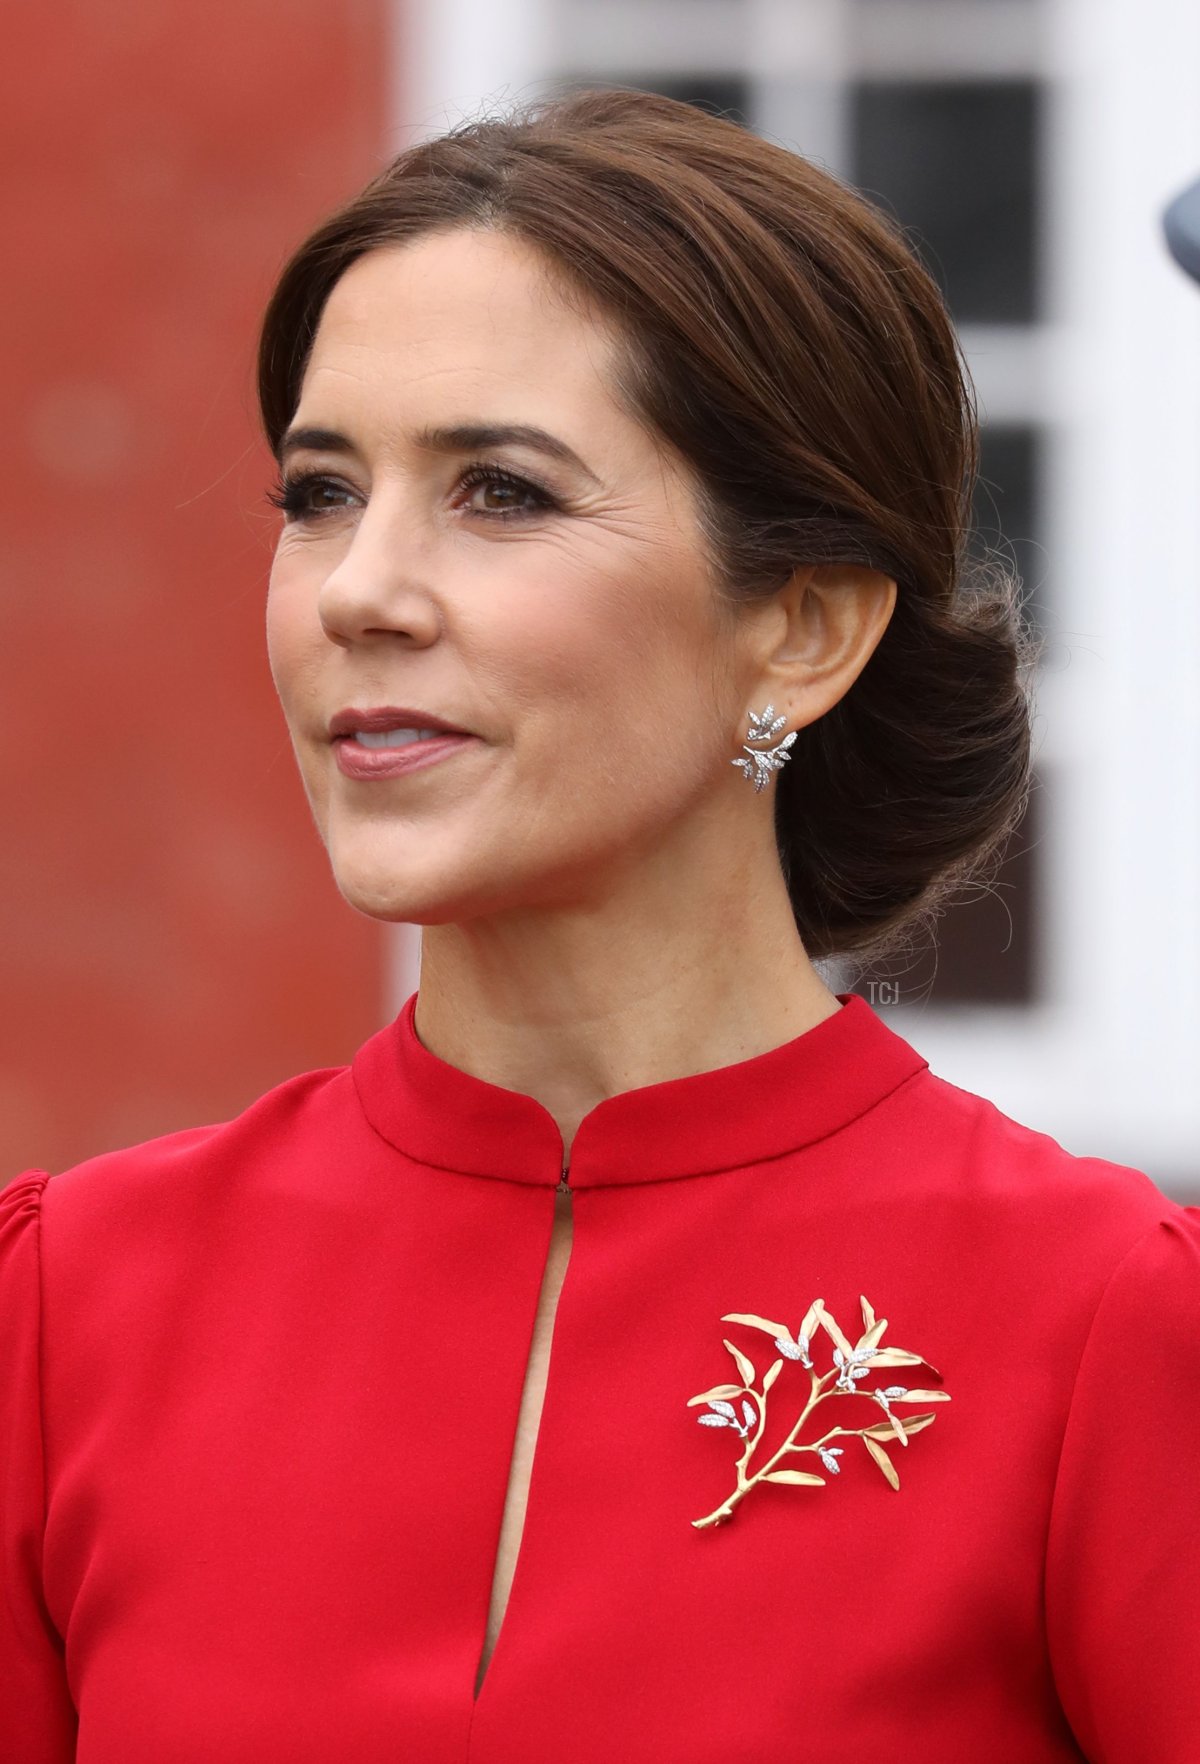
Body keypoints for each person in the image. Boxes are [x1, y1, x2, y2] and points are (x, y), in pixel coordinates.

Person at [2, 85, 1196, 1762]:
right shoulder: (71, 1314)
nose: (359, 589)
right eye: (320, 493)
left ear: (803, 626)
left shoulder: (1098, 1330)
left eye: (501, 493)